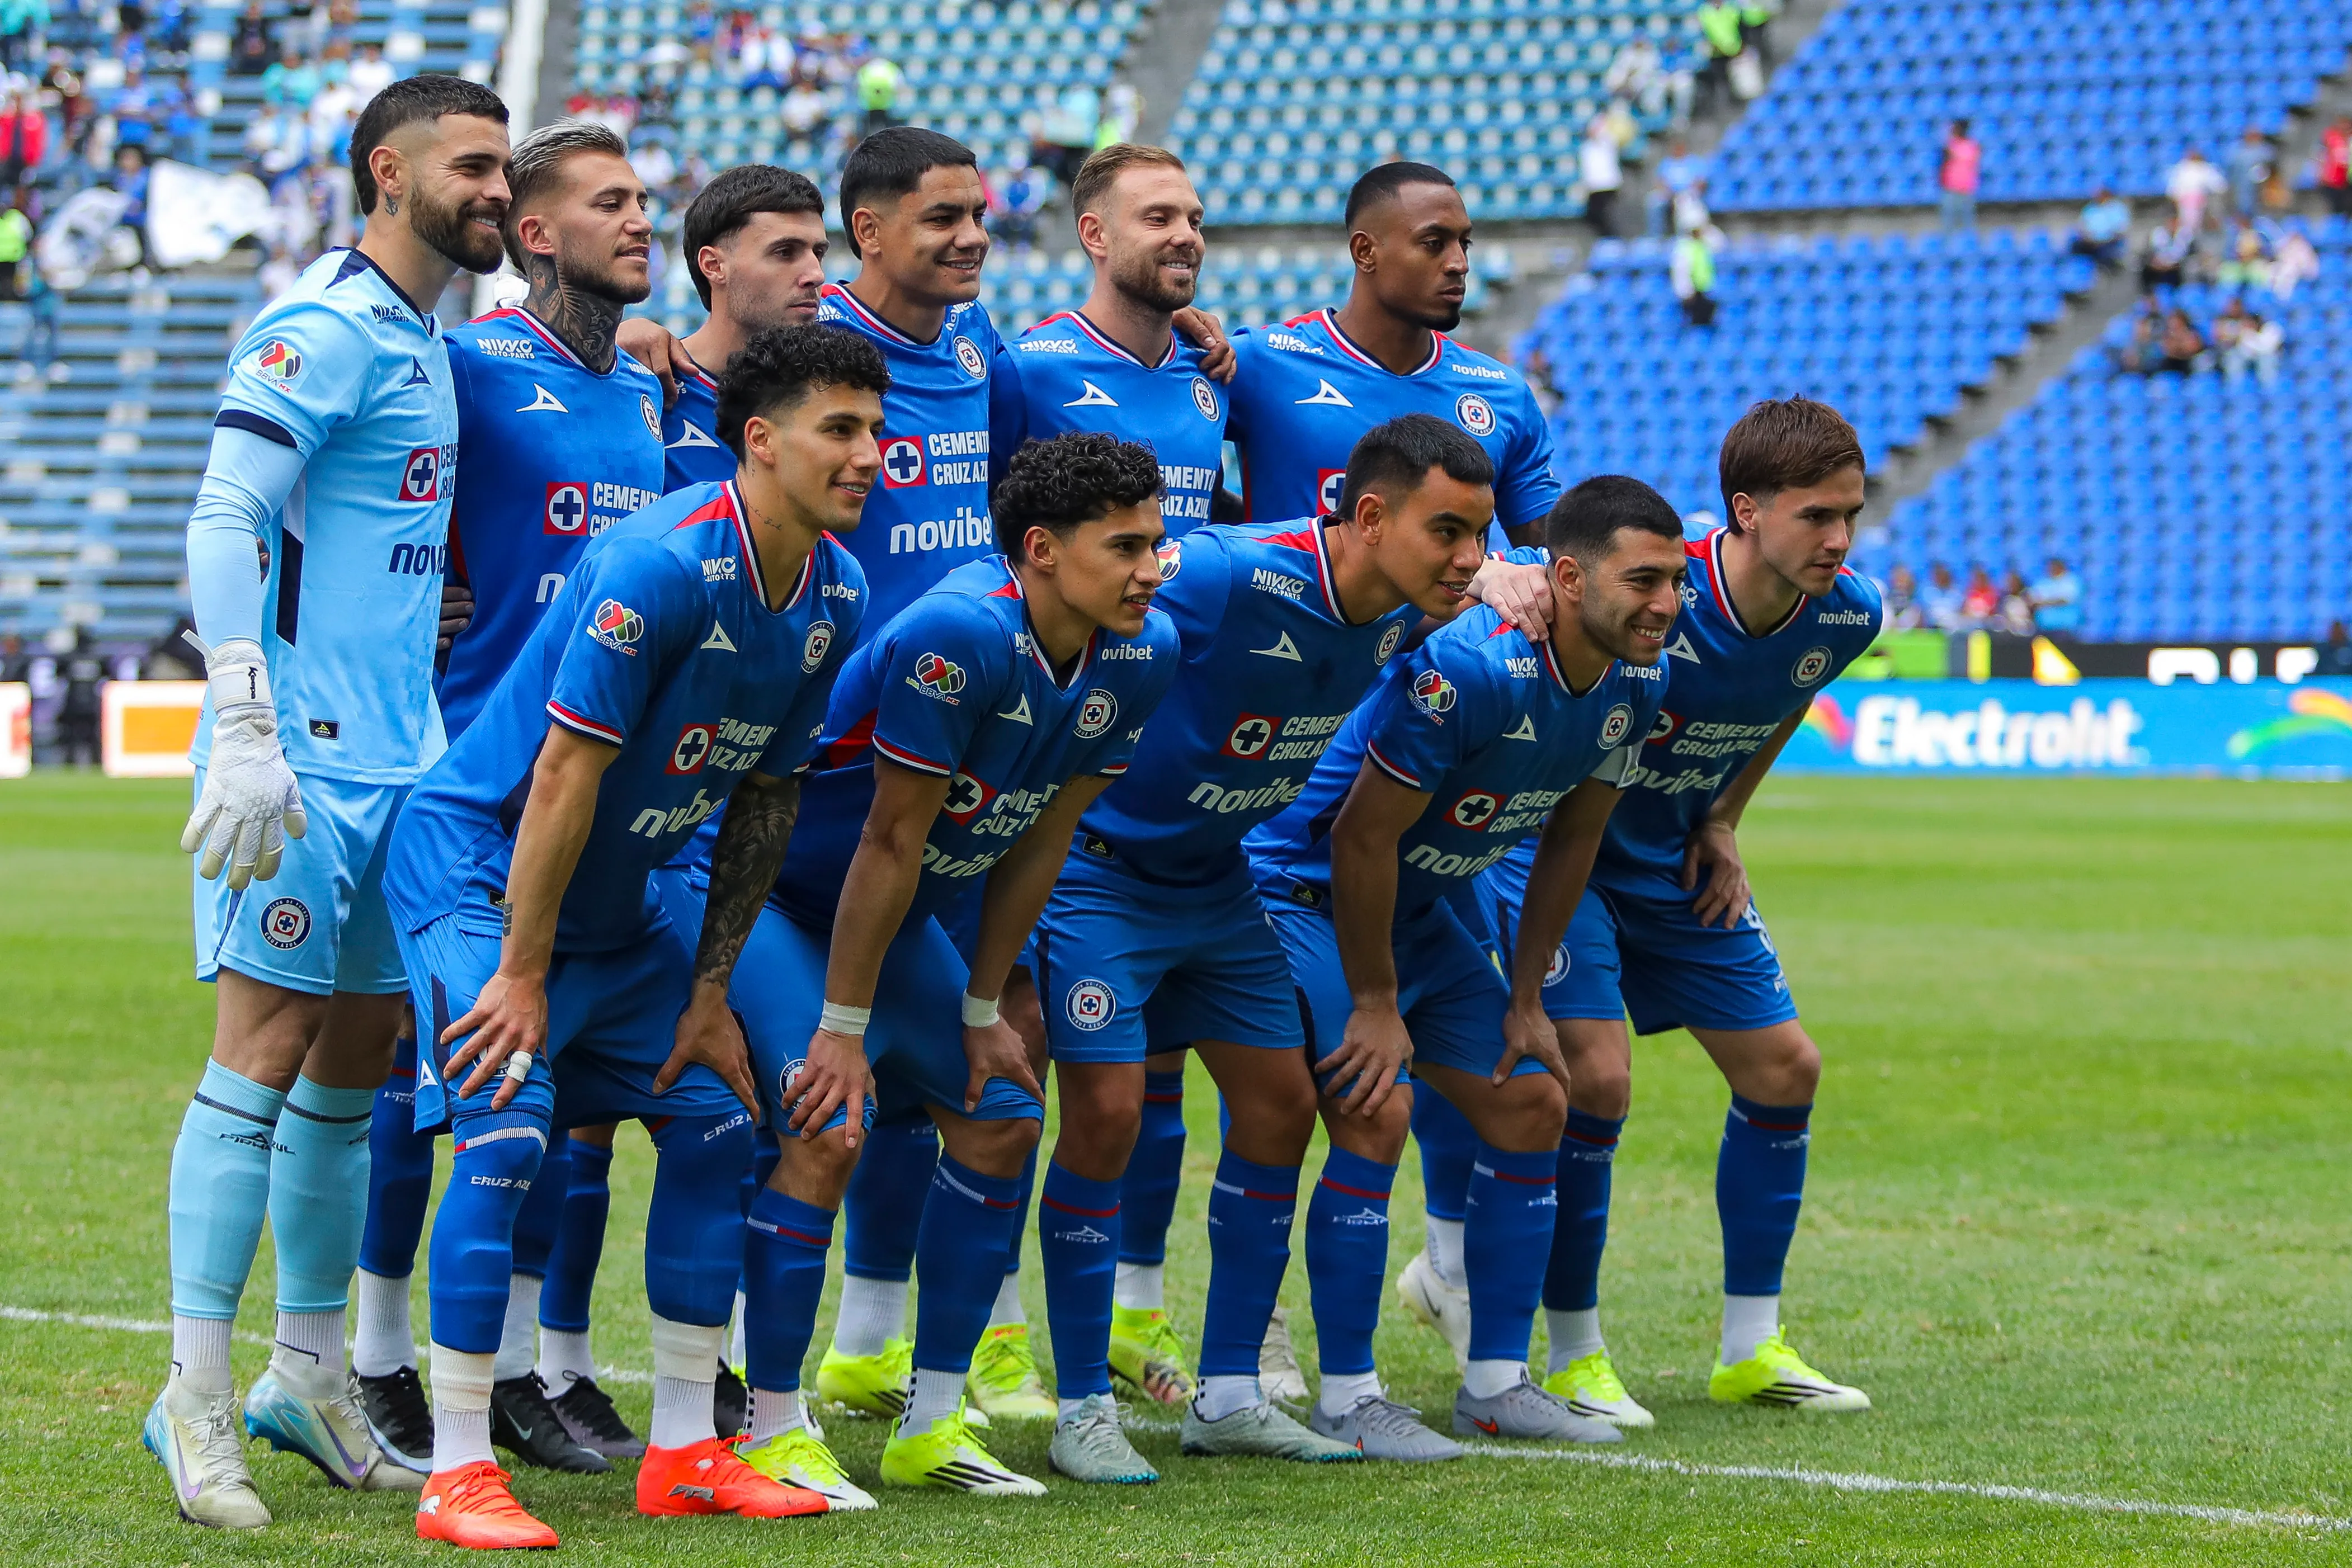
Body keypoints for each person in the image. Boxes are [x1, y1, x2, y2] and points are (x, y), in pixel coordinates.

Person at [383, 323, 880, 1547]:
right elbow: (556, 776)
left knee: (714, 1127)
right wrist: (519, 971)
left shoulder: (838, 591)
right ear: (758, 442)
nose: (871, 455)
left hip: (625, 904)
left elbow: (762, 798)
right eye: (841, 429)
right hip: (481, 876)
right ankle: (455, 1468)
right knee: (504, 1131)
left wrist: (710, 989)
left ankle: (683, 1453)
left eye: (876, 430)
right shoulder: (657, 564)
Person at [1027, 417, 1551, 1475]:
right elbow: (1076, 607)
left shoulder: (1408, 612)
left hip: (1219, 882)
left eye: (1480, 534)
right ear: (1367, 518)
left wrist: (1493, 575)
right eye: (1447, 531)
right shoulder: (1227, 572)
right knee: (1107, 1114)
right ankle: (1081, 1400)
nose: (1469, 556)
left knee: (1280, 1102)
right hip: (1099, 874)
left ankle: (1227, 1393)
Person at [144, 72, 512, 1532]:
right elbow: (225, 513)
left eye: (503, 169)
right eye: (473, 167)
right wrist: (240, 712)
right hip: (297, 759)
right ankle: (191, 1396)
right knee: (266, 1045)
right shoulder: (322, 324)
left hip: (403, 759)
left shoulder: (430, 342)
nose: (495, 190)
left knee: (358, 1060)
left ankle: (307, 1374)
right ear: (388, 172)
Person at [691, 432, 1180, 1499]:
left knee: (1003, 1110)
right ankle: (773, 1424)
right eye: (1128, 545)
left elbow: (1042, 832)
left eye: (1159, 542)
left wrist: (980, 1000)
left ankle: (933, 1418)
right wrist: (844, 1027)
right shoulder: (957, 635)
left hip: (893, 911)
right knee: (829, 1120)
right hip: (777, 896)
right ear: (1042, 550)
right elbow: (887, 840)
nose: (1155, 567)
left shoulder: (1144, 650)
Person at [1411, 398, 1884, 1424]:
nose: (1841, 539)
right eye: (1818, 516)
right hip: (1556, 850)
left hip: (1670, 855)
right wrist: (1497, 569)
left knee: (1785, 1066)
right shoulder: (1658, 594)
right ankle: (1574, 1347)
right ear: (1746, 512)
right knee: (1598, 1080)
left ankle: (1753, 1344)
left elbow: (1788, 694)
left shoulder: (1848, 613)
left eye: (1853, 512)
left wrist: (1722, 820)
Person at [348, 119, 668, 1481]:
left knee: (569, 1107)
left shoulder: (650, 396)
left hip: (595, 798)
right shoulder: (465, 367)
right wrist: (397, 606)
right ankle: (370, 1354)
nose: (641, 219)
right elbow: (350, 494)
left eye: (647, 198)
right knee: (431, 1083)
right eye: (611, 203)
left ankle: (538, 1365)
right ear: (533, 234)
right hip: (472, 788)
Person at [1247, 472, 1682, 1444]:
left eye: (1676, 582)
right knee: (1376, 1100)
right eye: (1643, 581)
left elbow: (1570, 841)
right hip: (1304, 888)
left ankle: (1494, 1380)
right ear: (1566, 578)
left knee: (1532, 1096)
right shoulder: (1468, 669)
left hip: (1420, 902)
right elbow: (1357, 837)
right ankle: (1350, 1396)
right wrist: (1374, 1001)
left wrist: (1528, 996)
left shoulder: (1642, 677)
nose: (1665, 605)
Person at [1224, 162, 1559, 544]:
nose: (1459, 264)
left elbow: (1548, 560)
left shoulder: (1503, 394)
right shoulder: (1261, 362)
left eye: (1463, 243)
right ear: (1365, 252)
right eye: (1434, 243)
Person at [990, 144, 1229, 538]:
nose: (1187, 236)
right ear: (1095, 234)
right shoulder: (1027, 372)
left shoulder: (1212, 368)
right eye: (1158, 219)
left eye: (1195, 221)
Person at [1671, 218, 1721, 327]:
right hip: (1693, 292)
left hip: (1705, 289)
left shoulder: (1703, 245)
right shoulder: (1685, 248)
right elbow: (1682, 271)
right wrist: (1686, 291)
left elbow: (1720, 242)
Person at [1579, 112, 1622, 238]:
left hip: (1607, 185)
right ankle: (1606, 238)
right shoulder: (1587, 147)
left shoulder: (1607, 143)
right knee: (1593, 216)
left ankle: (1612, 239)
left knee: (1606, 215)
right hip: (1594, 187)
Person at [2165, 147, 2224, 233]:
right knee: (2188, 225)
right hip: (2184, 201)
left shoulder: (2205, 168)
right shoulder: (2182, 169)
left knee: (2196, 224)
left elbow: (2220, 187)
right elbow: (2173, 190)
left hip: (2202, 201)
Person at [1938, 119, 1979, 233]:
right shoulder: (1952, 145)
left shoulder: (1970, 146)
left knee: (1967, 218)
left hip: (1966, 186)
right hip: (1951, 186)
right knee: (1949, 219)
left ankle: (1967, 242)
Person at [2069, 187, 2129, 267]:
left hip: (2109, 243)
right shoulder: (2090, 208)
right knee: (2075, 247)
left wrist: (2103, 241)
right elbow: (2082, 227)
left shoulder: (2118, 209)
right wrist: (2088, 238)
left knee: (2105, 252)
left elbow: (2121, 232)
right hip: (2090, 242)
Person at [2224, 127, 2270, 219]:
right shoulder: (2238, 152)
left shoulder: (2266, 151)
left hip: (2260, 190)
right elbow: (2231, 171)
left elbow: (2270, 170)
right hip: (2240, 188)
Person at [2029, 556, 2081, 636]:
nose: (2052, 569)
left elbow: (2065, 600)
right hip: (2044, 627)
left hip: (2065, 628)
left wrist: (2045, 602)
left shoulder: (2071, 581)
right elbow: (2033, 601)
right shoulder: (2042, 583)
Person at [2139, 218, 2192, 294]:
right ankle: (2148, 294)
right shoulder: (2158, 234)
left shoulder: (2185, 235)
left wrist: (2171, 266)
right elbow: (2152, 251)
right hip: (2159, 264)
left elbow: (2185, 255)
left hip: (2175, 267)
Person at [854, 51, 900, 136]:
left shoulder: (866, 68)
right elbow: (899, 85)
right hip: (882, 104)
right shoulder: (891, 68)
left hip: (872, 104)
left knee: (872, 129)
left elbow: (857, 84)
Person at [2157, 307, 2204, 376]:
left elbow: (2192, 349)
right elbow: (2167, 350)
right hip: (2172, 366)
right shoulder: (2168, 336)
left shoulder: (2192, 334)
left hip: (2190, 364)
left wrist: (2179, 345)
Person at [2321, 116, 2352, 219]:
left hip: (2346, 182)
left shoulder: (2349, 139)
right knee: (2336, 210)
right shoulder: (2332, 137)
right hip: (2333, 181)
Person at [1883, 563, 1920, 630]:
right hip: (1891, 620)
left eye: (1903, 576)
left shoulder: (1913, 593)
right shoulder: (1890, 593)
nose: (1900, 579)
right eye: (1898, 576)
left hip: (1906, 622)